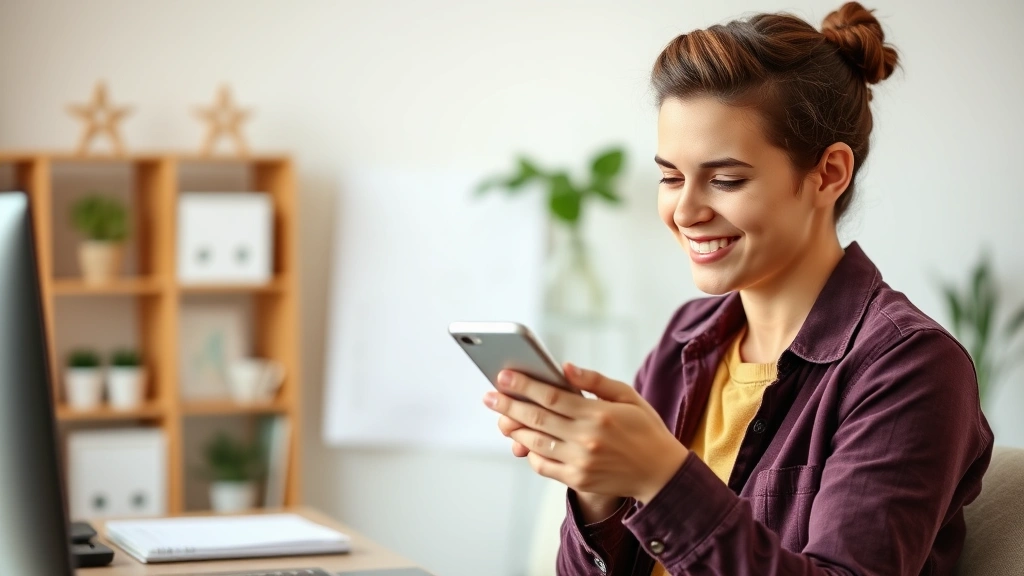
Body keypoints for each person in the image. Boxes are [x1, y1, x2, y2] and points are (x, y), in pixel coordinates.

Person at [482, 2, 994, 574]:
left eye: (725, 179)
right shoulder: (688, 337)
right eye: (670, 177)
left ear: (828, 174)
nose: (685, 211)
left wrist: (661, 477)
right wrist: (599, 491)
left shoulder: (909, 367)